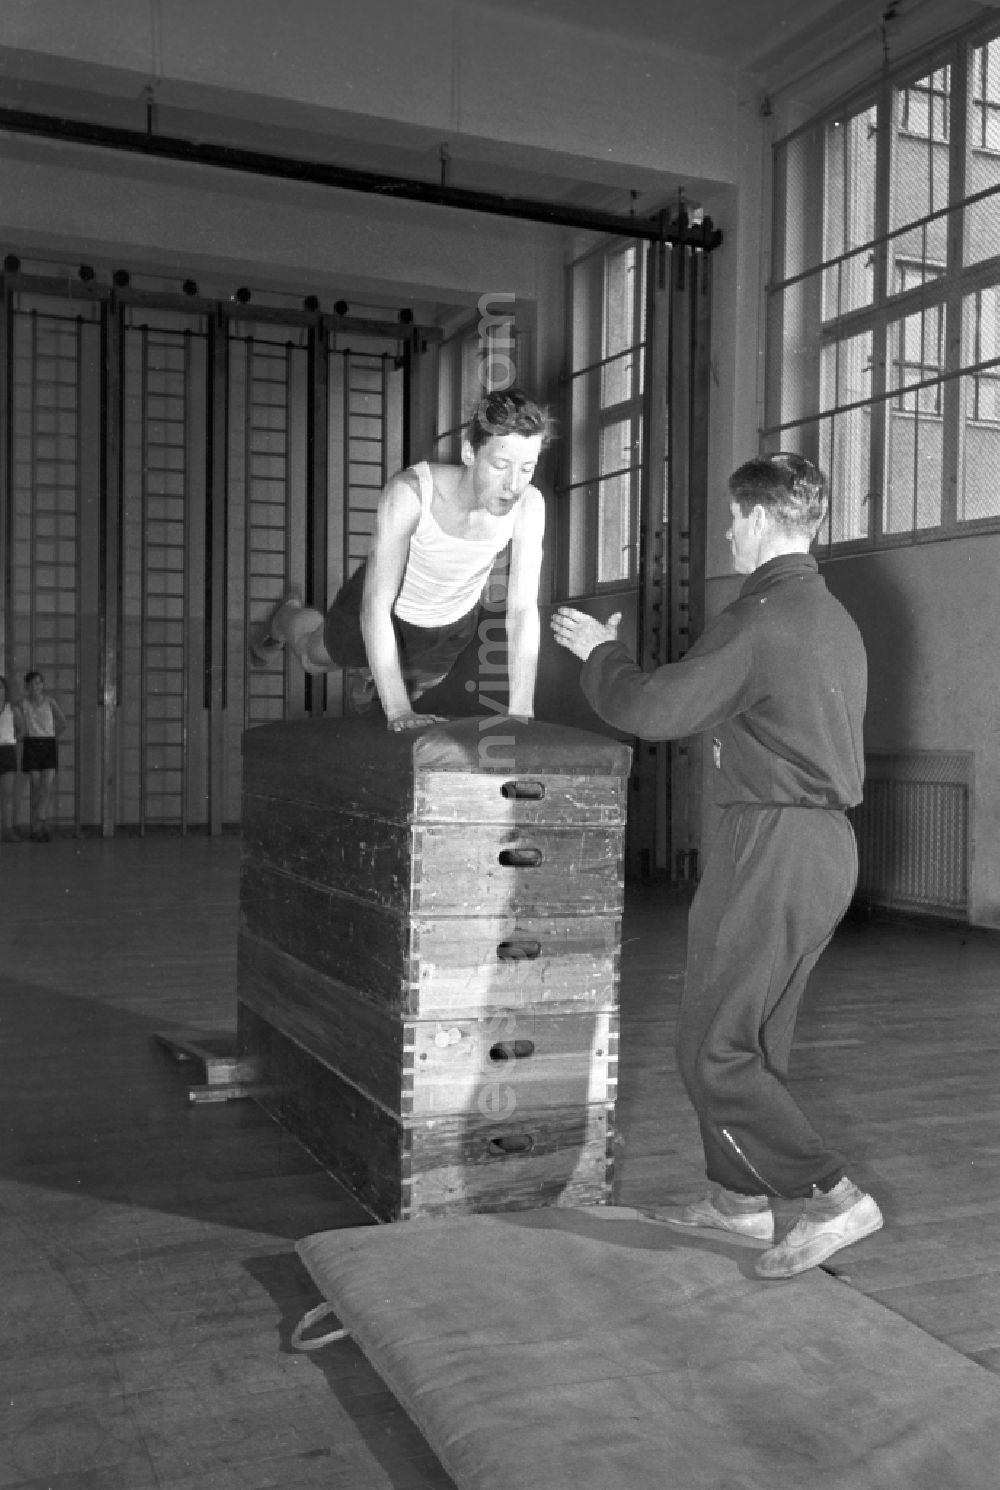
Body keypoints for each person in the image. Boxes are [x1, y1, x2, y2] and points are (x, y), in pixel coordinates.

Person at [551, 452, 882, 1280]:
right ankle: (738, 1203)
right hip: (817, 847)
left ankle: (834, 1196)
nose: (729, 530)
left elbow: (655, 707)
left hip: (772, 844)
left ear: (763, 519)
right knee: (752, 1038)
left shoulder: (764, 617)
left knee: (714, 1046)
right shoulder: (827, 614)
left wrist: (600, 654)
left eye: (736, 518)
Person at [250, 388, 551, 732]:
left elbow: (523, 609)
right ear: (470, 452)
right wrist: (398, 711)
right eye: (500, 466)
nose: (513, 485)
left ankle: (372, 676)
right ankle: (284, 617)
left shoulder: (529, 504)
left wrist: (521, 711)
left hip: (451, 623)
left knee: (416, 688)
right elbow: (376, 607)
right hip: (388, 608)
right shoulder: (411, 493)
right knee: (312, 660)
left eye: (527, 468)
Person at [19, 669, 68, 842]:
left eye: (38, 683)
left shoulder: (50, 702)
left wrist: (52, 735)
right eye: (32, 683)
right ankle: (38, 825)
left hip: (48, 744)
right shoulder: (24, 704)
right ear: (27, 686)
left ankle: (38, 824)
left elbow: (63, 722)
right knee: (37, 787)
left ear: (43, 685)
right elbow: (20, 724)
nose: (35, 686)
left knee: (46, 787)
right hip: (32, 744)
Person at [0, 675, 22, 843]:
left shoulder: (12, 708)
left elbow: (23, 728)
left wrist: (12, 739)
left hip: (7, 750)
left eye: (1, 688)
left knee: (7, 793)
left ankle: (7, 829)